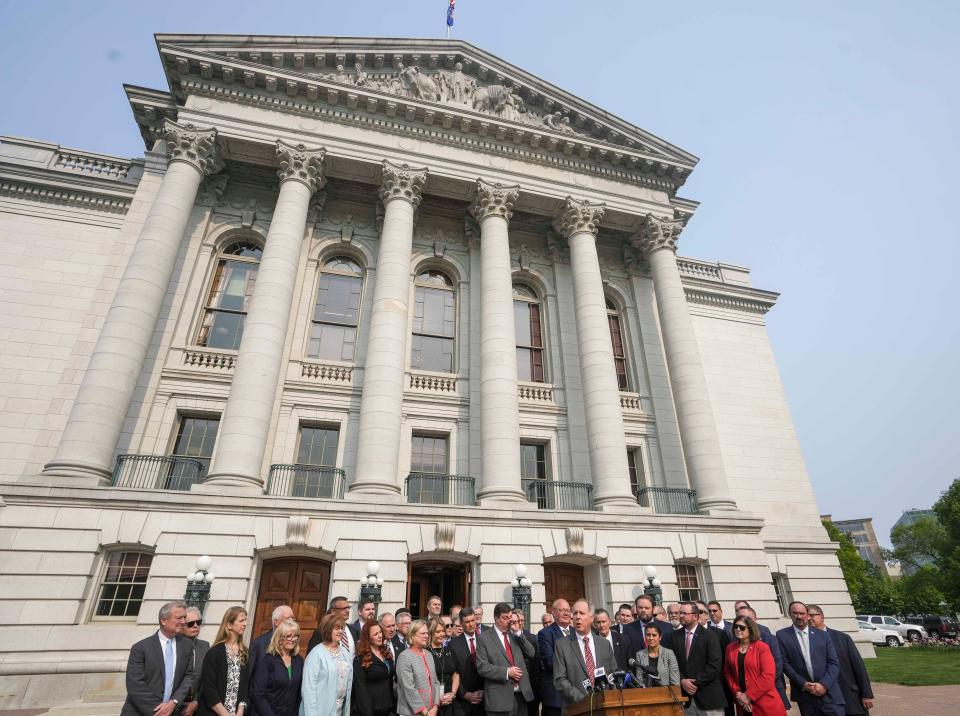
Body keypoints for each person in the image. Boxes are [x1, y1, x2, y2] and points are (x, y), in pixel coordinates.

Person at [121, 600, 194, 716]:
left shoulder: (187, 645)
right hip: (140, 712)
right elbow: (135, 684)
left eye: (185, 617)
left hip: (173, 711)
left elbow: (189, 676)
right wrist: (158, 711)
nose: (184, 622)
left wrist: (174, 703)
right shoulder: (141, 648)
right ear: (164, 620)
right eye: (179, 618)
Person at [776, 602, 844, 716]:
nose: (799, 616)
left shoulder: (823, 635)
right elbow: (785, 664)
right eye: (795, 613)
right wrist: (804, 684)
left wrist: (824, 685)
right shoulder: (782, 635)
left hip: (830, 693)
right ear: (790, 614)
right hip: (805, 696)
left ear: (807, 615)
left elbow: (834, 663)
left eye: (802, 613)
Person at [806, 606, 874, 715]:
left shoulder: (842, 638)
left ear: (822, 617)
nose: (809, 618)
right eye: (807, 616)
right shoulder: (805, 642)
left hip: (850, 696)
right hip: (826, 701)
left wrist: (866, 694)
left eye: (812, 615)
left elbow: (858, 666)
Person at [553, 599, 616, 706]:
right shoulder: (562, 645)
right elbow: (559, 680)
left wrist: (611, 698)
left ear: (591, 618)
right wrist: (583, 700)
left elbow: (613, 672)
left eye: (582, 613)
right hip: (576, 707)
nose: (577, 617)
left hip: (604, 705)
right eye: (575, 613)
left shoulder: (604, 644)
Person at [476, 603, 535, 716]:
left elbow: (531, 653)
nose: (509, 621)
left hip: (522, 695)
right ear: (496, 618)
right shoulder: (484, 638)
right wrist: (507, 672)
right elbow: (482, 667)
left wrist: (518, 632)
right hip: (499, 699)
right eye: (505, 618)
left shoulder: (515, 635)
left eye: (510, 617)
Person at [672, 601, 726, 716]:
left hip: (709, 698)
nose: (680, 616)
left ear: (695, 616)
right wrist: (682, 681)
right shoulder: (675, 636)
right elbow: (673, 664)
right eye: (680, 613)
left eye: (684, 613)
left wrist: (695, 683)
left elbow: (715, 665)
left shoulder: (710, 636)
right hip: (685, 700)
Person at [723, 616, 785, 716]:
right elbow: (727, 673)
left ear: (750, 629)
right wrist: (737, 693)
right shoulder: (730, 648)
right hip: (742, 703)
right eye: (736, 626)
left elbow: (768, 675)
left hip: (764, 702)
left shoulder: (761, 647)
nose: (738, 629)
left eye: (742, 627)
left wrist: (748, 696)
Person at [199, 605, 250, 716]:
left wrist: (241, 710)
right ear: (229, 625)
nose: (245, 624)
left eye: (246, 620)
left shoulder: (245, 653)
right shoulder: (214, 652)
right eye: (241, 620)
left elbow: (245, 686)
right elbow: (209, 688)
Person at [736, 606, 789, 711]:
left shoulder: (769, 640)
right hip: (744, 698)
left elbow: (776, 667)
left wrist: (752, 692)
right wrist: (741, 694)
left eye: (747, 619)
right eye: (740, 619)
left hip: (768, 692)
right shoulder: (733, 645)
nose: (744, 623)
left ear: (755, 619)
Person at [302, 612, 353, 716]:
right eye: (336, 628)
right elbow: (308, 690)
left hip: (340, 710)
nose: (341, 631)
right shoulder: (316, 654)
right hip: (320, 710)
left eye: (342, 628)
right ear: (328, 629)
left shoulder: (345, 652)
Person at [249, 618, 303, 716]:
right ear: (280, 639)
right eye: (289, 636)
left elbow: (298, 693)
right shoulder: (268, 660)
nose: (293, 639)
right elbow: (258, 695)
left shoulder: (298, 660)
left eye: (296, 636)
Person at [397, 619, 444, 716]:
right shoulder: (404, 656)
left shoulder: (428, 654)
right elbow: (408, 688)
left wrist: (435, 706)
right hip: (410, 712)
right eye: (422, 633)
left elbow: (435, 682)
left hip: (431, 710)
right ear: (412, 635)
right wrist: (425, 712)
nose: (426, 636)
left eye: (427, 633)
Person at [352, 618, 396, 716]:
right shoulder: (361, 658)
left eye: (380, 632)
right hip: (369, 710)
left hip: (387, 708)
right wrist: (367, 712)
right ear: (368, 637)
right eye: (375, 634)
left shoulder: (386, 653)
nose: (380, 636)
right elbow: (360, 689)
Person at [537, 599, 572, 716]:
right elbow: (550, 662)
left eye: (568, 610)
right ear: (553, 612)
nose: (566, 613)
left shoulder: (577, 632)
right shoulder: (545, 633)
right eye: (562, 610)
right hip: (556, 696)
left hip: (578, 694)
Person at [450, 607, 484, 716]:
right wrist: (464, 694)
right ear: (461, 623)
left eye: (472, 620)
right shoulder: (453, 644)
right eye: (467, 622)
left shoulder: (484, 641)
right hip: (462, 703)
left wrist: (484, 690)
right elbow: (453, 672)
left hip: (483, 701)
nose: (471, 624)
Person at [427, 618, 460, 716]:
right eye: (438, 632)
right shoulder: (425, 652)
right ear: (430, 633)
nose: (442, 634)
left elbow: (456, 673)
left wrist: (453, 694)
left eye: (443, 631)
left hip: (450, 700)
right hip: (431, 701)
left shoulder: (449, 650)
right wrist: (436, 698)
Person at [632, 622, 680, 687]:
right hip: (646, 694)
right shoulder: (640, 655)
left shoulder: (669, 653)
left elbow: (675, 682)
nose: (651, 638)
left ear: (660, 637)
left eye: (654, 635)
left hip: (666, 694)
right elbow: (639, 681)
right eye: (648, 635)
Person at [512, 609, 541, 716]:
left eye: (522, 620)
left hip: (531, 686)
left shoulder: (532, 638)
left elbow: (537, 662)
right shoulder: (507, 636)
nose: (519, 623)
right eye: (517, 620)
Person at [183, 607, 211, 716]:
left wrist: (195, 700)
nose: (195, 626)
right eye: (190, 623)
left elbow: (205, 677)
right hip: (174, 704)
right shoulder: (174, 645)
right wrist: (189, 701)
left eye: (198, 622)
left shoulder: (205, 646)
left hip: (197, 704)